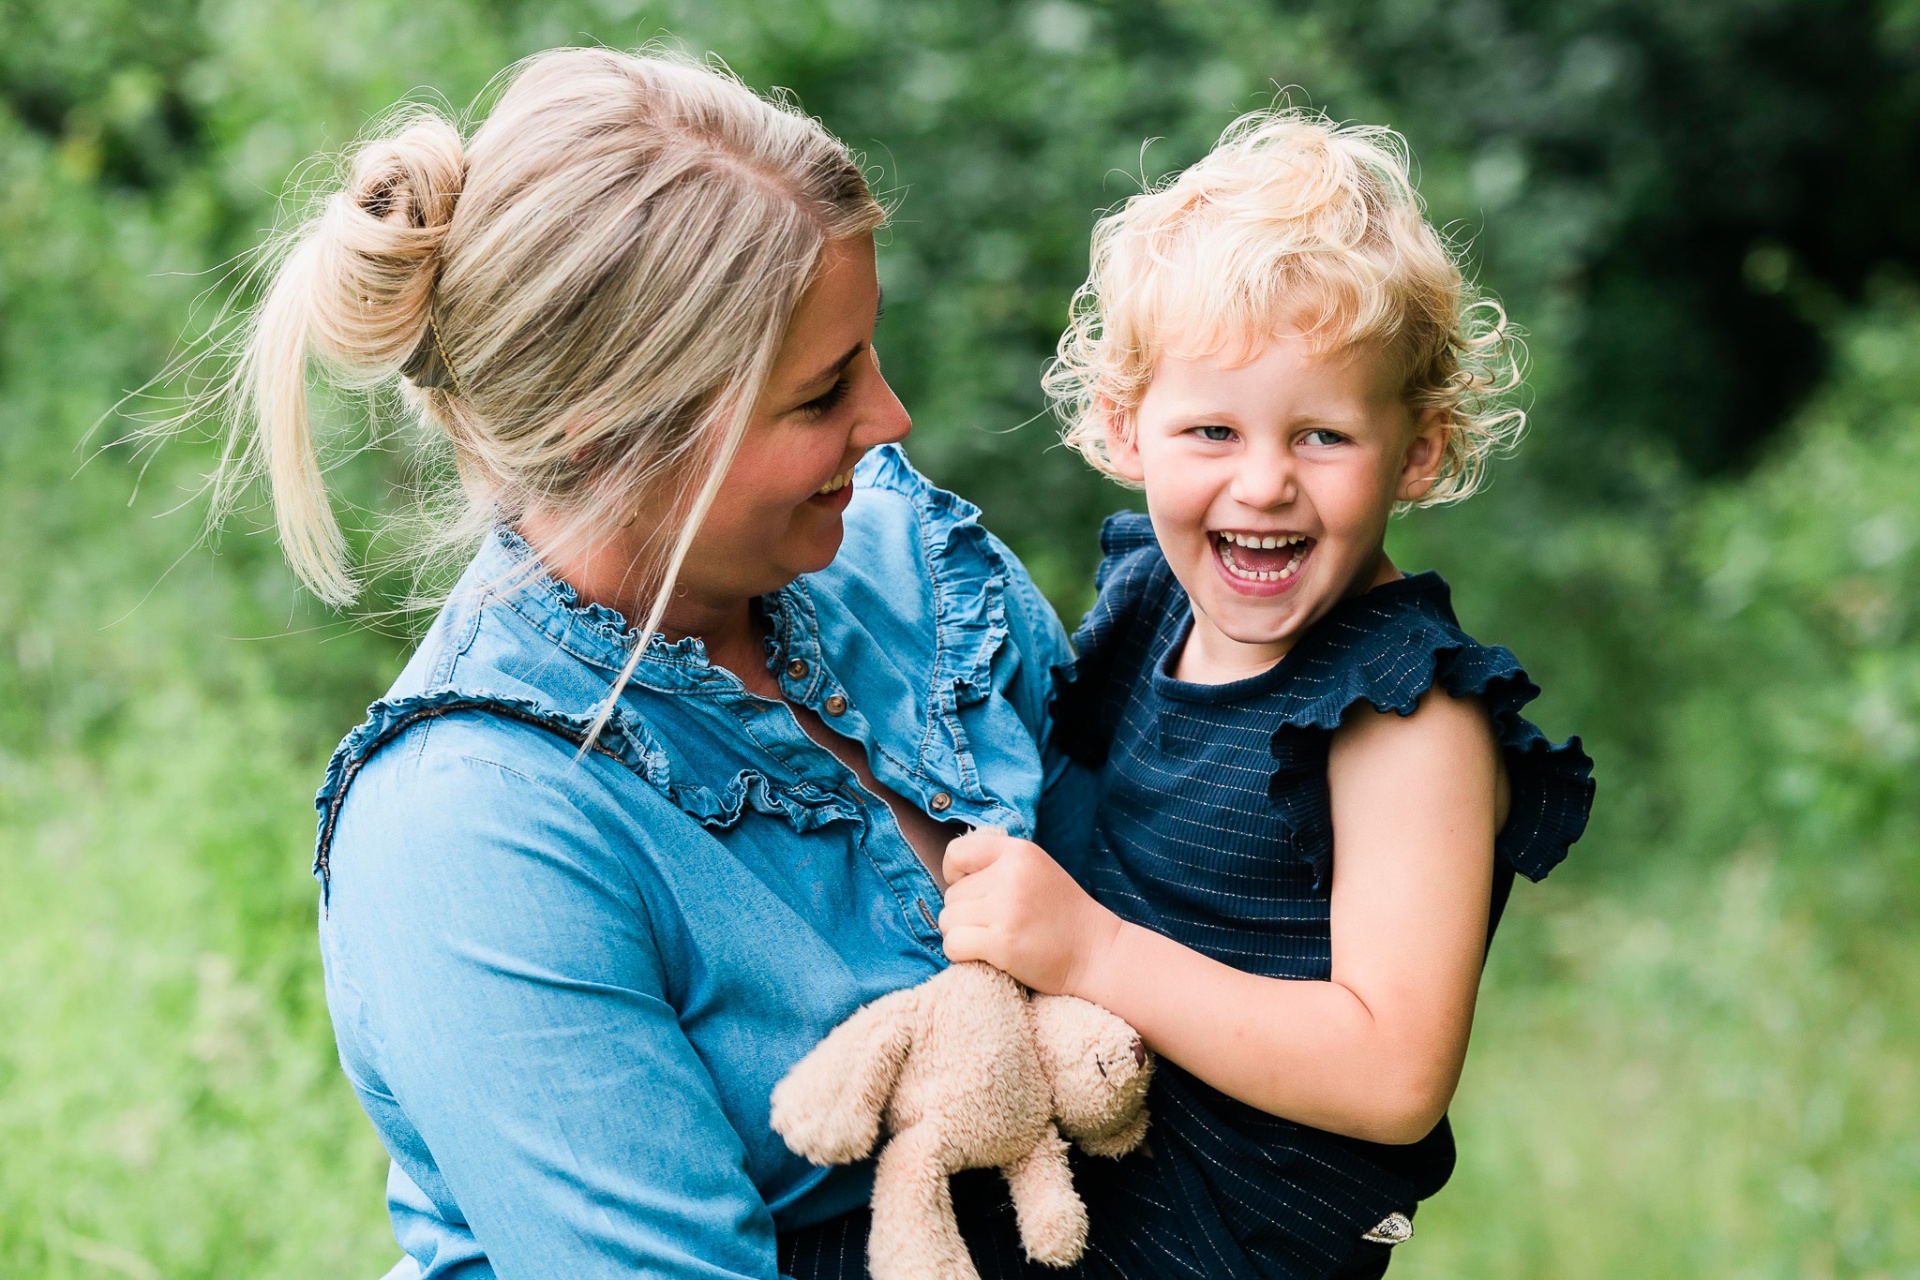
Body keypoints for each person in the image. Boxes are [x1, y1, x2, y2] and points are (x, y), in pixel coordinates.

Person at [211, 46, 1074, 1279]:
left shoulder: (916, 567)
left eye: (868, 354)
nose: (889, 420)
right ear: (608, 433)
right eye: (820, 393)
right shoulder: (478, 828)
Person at [937, 110, 1596, 1278]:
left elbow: (1394, 1072)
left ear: (1420, 448)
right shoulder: (1151, 599)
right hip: (1084, 1143)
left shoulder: (1402, 713)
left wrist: (1091, 952)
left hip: (1222, 1229)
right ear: (1124, 426)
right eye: (1211, 428)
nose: (1263, 482)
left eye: (1322, 435)